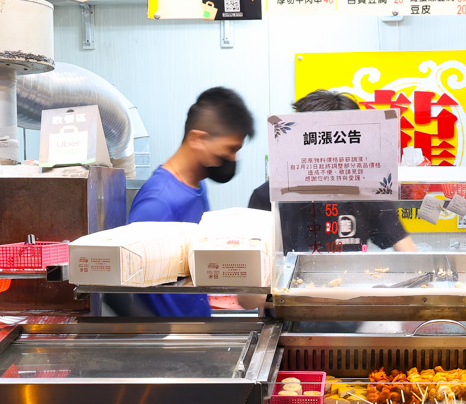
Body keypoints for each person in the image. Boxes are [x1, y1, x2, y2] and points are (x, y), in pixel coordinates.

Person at [127, 86, 255, 317]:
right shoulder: (158, 202)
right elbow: (131, 288)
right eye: (230, 149)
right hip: (173, 342)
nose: (233, 159)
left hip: (196, 332)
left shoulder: (197, 186)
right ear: (197, 139)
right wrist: (175, 336)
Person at [248, 90, 417, 254]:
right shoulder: (266, 197)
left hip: (348, 280)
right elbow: (255, 259)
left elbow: (405, 246)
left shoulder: (368, 193)